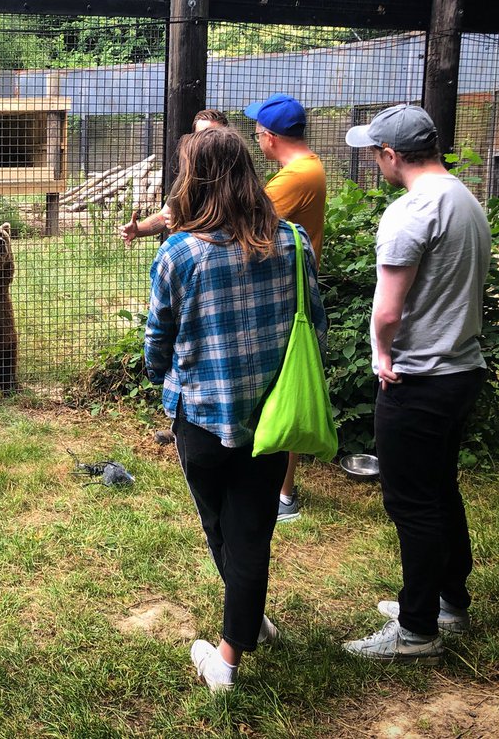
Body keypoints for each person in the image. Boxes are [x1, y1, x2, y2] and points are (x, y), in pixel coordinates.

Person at [145, 126, 325, 693]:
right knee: (250, 527)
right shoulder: (294, 242)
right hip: (273, 417)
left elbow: (159, 336)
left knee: (223, 526)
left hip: (200, 416)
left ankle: (225, 659)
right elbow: (314, 326)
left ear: (193, 181)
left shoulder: (180, 252)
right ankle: (246, 617)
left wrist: (159, 377)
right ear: (249, 175)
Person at [342, 105, 489, 662]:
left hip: (417, 378)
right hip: (460, 371)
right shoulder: (464, 199)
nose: (373, 160)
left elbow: (387, 311)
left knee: (412, 505)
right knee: (440, 491)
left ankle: (416, 629)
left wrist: (381, 355)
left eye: (374, 152)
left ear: (391, 155)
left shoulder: (411, 211)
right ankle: (448, 600)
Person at [243, 93, 327, 523]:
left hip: (287, 295)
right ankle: (277, 487)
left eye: (257, 132)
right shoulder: (308, 166)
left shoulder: (294, 178)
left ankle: (283, 495)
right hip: (290, 290)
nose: (256, 138)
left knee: (285, 390)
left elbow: (242, 219)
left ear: (269, 137)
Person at [119, 109, 229, 245]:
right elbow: (164, 216)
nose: (207, 141)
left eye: (214, 134)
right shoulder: (189, 178)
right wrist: (138, 229)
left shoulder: (239, 177)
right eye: (201, 135)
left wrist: (188, 227)